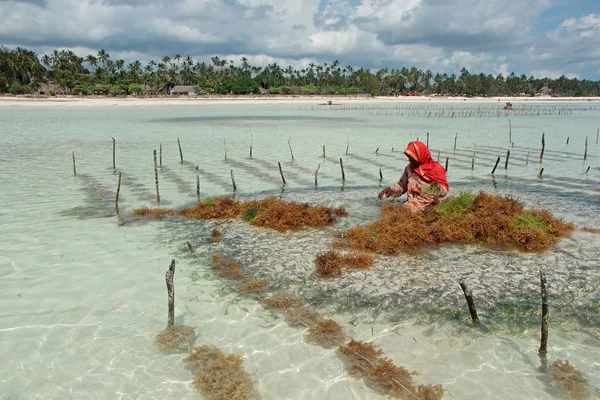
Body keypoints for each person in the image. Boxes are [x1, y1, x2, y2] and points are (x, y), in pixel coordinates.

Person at [378, 141, 449, 212]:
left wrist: (436, 186)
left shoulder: (436, 169)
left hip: (430, 205)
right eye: (409, 158)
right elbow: (402, 185)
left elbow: (443, 192)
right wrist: (390, 189)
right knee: (403, 210)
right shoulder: (409, 169)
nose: (410, 160)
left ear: (420, 156)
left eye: (412, 158)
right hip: (411, 205)